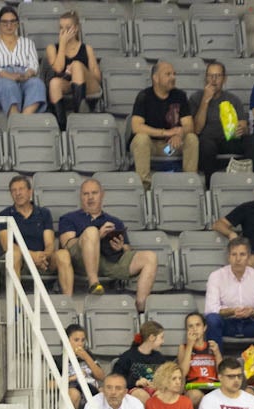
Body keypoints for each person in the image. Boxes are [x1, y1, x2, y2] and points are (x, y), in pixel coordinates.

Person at [57, 179, 158, 310]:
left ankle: (140, 307)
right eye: (86, 194)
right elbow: (67, 244)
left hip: (108, 260)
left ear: (102, 195)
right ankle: (93, 283)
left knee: (150, 257)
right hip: (80, 260)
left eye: (94, 193)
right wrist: (96, 236)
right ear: (80, 196)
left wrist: (121, 246)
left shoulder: (114, 221)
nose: (90, 197)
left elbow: (127, 249)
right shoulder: (69, 218)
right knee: (91, 231)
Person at [129, 60, 197, 184]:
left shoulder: (180, 96)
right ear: (155, 78)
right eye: (168, 74)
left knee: (191, 138)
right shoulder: (144, 96)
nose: (173, 77)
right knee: (141, 139)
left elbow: (189, 125)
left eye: (174, 74)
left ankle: (189, 182)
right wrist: (166, 133)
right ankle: (144, 185)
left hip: (170, 147)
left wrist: (180, 133)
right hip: (152, 146)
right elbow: (136, 126)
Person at [205, 239, 254, 349]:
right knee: (212, 320)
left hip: (252, 323)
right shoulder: (216, 276)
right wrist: (231, 311)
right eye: (234, 254)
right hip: (228, 323)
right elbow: (210, 308)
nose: (238, 259)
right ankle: (216, 361)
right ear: (228, 257)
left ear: (248, 257)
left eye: (242, 254)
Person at [189, 60, 254, 176]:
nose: (213, 80)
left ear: (224, 79)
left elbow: (244, 126)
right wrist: (205, 100)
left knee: (252, 141)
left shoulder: (233, 99)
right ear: (206, 78)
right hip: (206, 140)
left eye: (218, 76)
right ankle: (211, 185)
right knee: (207, 146)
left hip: (228, 139)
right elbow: (196, 129)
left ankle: (250, 179)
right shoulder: (196, 98)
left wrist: (242, 130)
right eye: (210, 76)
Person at [44, 9, 101, 126]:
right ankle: (62, 126)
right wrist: (63, 45)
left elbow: (97, 78)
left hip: (89, 86)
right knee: (54, 83)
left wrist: (79, 71)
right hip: (68, 85)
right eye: (61, 28)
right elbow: (58, 68)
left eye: (68, 27)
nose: (64, 32)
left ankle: (78, 117)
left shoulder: (87, 48)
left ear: (76, 28)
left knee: (76, 65)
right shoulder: (52, 48)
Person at [0, 7, 44, 116]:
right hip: (1, 78)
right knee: (9, 85)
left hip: (24, 76)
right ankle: (15, 118)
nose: (9, 25)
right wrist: (9, 76)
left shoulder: (28, 43)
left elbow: (34, 65)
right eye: (5, 22)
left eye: (12, 22)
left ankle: (23, 120)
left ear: (17, 24)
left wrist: (26, 75)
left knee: (37, 84)